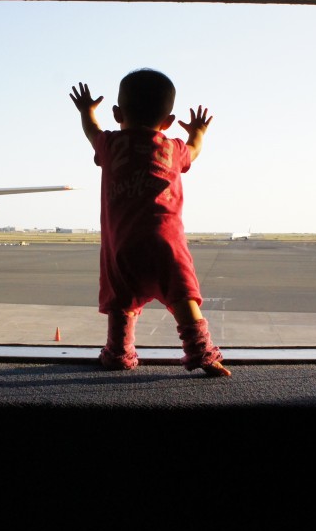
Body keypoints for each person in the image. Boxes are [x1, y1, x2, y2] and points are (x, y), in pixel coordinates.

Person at [69, 69, 231, 377]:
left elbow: (91, 131)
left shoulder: (111, 145)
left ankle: (118, 354)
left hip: (123, 246)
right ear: (168, 122)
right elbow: (194, 150)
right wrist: (198, 131)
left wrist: (87, 111)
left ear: (117, 113)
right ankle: (203, 353)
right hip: (166, 243)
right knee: (183, 300)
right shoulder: (172, 148)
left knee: (121, 304)